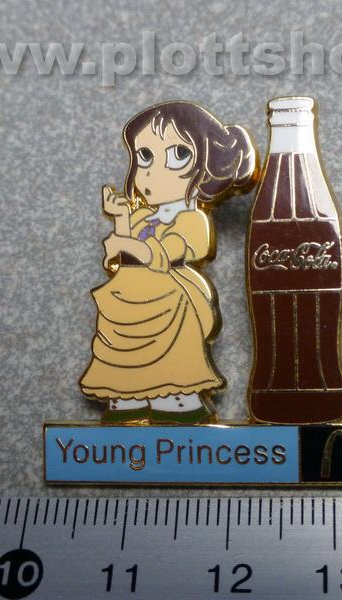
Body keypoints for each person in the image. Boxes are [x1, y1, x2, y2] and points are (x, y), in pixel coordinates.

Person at [79, 101, 257, 424]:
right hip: (128, 296)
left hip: (171, 296)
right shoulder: (141, 215)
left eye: (178, 155)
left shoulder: (193, 220)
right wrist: (121, 218)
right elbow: (121, 259)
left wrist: (129, 245)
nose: (154, 170)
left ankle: (176, 398)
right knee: (121, 344)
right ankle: (126, 395)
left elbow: (166, 253)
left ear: (207, 167)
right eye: (145, 157)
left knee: (174, 340)